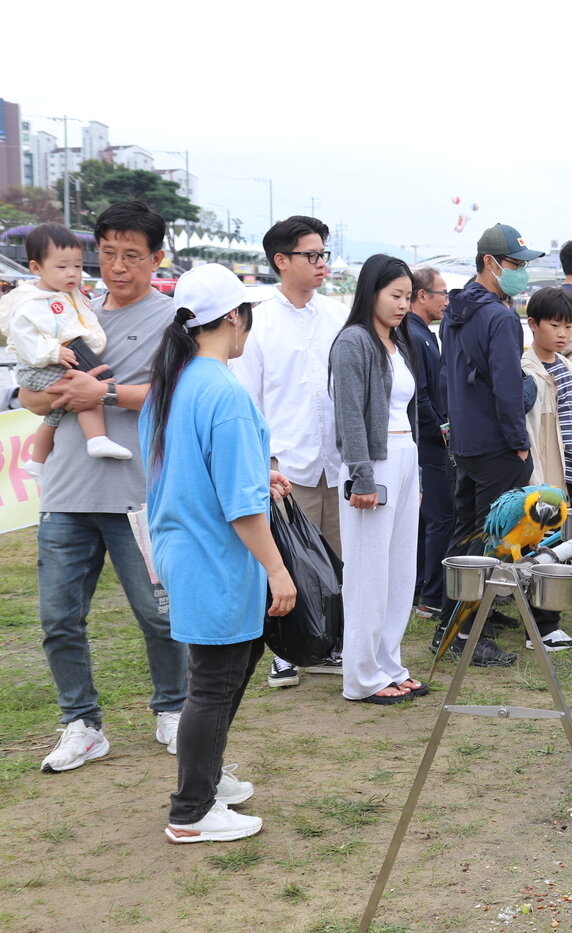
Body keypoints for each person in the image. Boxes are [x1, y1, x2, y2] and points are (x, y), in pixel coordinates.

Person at [19, 200, 187, 773]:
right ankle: (81, 724)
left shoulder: (173, 320)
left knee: (159, 614)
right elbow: (30, 393)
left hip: (138, 492)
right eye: (109, 254)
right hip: (66, 490)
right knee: (59, 617)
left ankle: (173, 709)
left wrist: (105, 395)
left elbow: (177, 393)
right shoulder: (71, 311)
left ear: (156, 258)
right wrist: (66, 393)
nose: (118, 267)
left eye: (132, 256)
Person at [140, 263, 295, 844]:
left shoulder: (172, 382)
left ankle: (206, 779)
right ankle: (191, 810)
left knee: (223, 675)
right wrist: (277, 568)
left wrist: (261, 476)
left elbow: (190, 472)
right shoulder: (223, 391)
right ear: (234, 317)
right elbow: (240, 507)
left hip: (185, 548)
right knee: (211, 684)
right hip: (218, 555)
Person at [230, 215, 345, 688]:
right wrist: (262, 462)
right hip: (283, 462)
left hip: (333, 461)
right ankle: (284, 648)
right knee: (287, 558)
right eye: (311, 255)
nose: (321, 264)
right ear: (281, 261)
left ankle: (328, 640)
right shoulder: (257, 321)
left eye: (324, 254)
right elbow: (247, 398)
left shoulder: (336, 314)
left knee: (332, 558)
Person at [437, 223, 551, 665]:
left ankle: (454, 622)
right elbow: (507, 388)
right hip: (498, 444)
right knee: (487, 541)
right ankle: (463, 633)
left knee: (464, 535)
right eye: (516, 264)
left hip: (466, 439)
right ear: (491, 263)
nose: (522, 272)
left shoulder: (456, 307)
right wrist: (519, 444)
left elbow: (450, 376)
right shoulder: (500, 317)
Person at [330, 255, 428, 703]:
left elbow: (410, 414)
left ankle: (388, 663)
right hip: (375, 460)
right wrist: (362, 477)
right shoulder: (354, 342)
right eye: (395, 295)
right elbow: (349, 415)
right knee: (368, 571)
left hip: (404, 457)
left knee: (399, 569)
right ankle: (362, 676)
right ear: (371, 292)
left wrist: (418, 472)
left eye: (408, 297)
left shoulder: (396, 342)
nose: (403, 305)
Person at [0, 224, 130, 475]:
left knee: (55, 415)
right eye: (62, 267)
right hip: (39, 364)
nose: (72, 273)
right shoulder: (31, 302)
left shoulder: (67, 294)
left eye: (78, 266)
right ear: (36, 268)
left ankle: (36, 462)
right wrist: (52, 352)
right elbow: (24, 338)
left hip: (53, 360)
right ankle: (96, 439)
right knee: (86, 390)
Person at [406, 266, 454, 619]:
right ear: (422, 295)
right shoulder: (413, 334)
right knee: (440, 517)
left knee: (428, 518)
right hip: (427, 440)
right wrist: (441, 428)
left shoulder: (425, 333)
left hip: (428, 436)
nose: (446, 300)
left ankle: (422, 587)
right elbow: (418, 394)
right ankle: (431, 594)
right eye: (442, 293)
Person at [523, 286, 572, 500]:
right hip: (548, 478)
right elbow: (530, 431)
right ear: (533, 324)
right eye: (554, 325)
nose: (562, 333)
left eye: (568, 326)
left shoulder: (568, 366)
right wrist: (535, 483)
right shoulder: (527, 370)